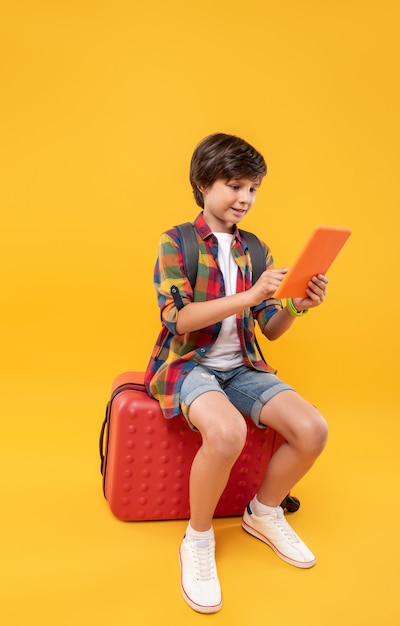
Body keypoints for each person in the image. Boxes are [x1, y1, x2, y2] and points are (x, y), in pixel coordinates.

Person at [144, 133, 329, 614]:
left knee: (312, 429)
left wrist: (298, 305)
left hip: (241, 367)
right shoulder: (176, 242)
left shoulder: (256, 249)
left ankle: (263, 513)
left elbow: (270, 328)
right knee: (225, 433)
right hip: (189, 365)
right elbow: (179, 319)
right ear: (204, 184)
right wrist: (248, 297)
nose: (245, 198)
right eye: (235, 186)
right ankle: (198, 539)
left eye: (253, 189)